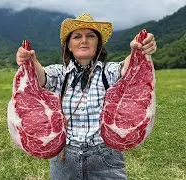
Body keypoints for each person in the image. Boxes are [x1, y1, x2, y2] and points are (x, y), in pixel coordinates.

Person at [16, 13, 157, 180]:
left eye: (90, 36)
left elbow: (126, 68)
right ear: (68, 45)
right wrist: (30, 60)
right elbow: (41, 78)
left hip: (105, 158)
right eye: (77, 36)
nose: (84, 40)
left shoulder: (108, 71)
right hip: (64, 159)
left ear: (98, 44)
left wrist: (138, 49)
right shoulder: (60, 73)